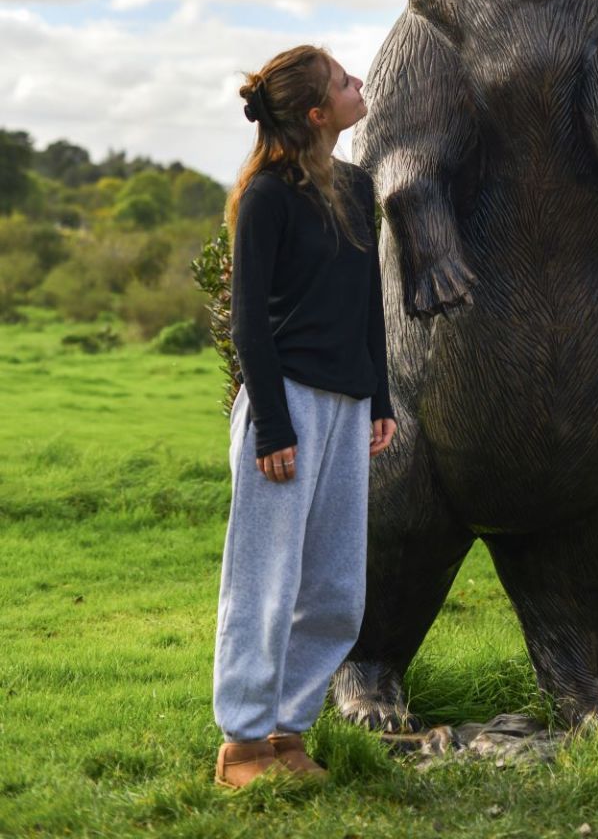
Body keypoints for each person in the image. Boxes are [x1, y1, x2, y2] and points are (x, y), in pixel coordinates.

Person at [213, 43, 396, 789]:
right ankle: (242, 746)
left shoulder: (357, 188)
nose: (359, 84)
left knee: (334, 585)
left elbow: (368, 306)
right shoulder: (266, 196)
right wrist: (273, 429)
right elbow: (248, 322)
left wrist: (379, 399)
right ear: (319, 113)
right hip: (283, 401)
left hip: (348, 408)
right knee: (264, 580)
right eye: (345, 81)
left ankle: (291, 732)